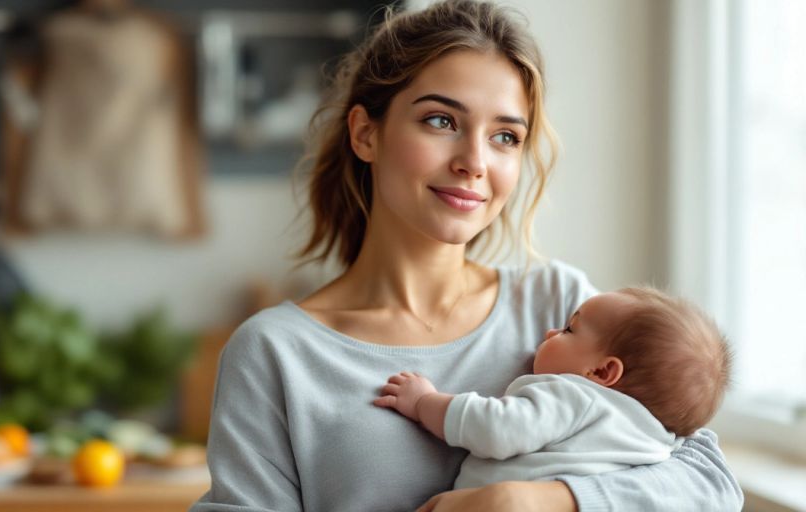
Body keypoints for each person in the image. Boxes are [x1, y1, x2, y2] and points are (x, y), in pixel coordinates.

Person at [192, 1, 743, 510]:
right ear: (365, 133)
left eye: (505, 136)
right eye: (441, 121)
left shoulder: (560, 303)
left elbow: (712, 485)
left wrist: (530, 501)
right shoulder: (276, 354)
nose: (474, 162)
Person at [373, 287, 733, 490]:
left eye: (569, 330)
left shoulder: (574, 395)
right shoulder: (657, 439)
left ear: (603, 371)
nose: (549, 333)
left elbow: (496, 429)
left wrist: (425, 402)